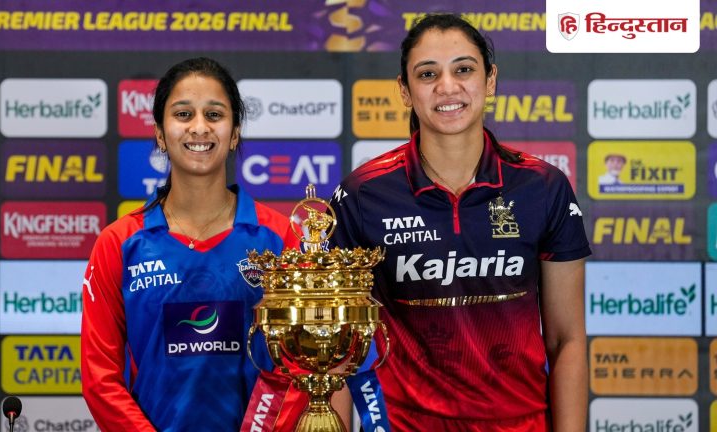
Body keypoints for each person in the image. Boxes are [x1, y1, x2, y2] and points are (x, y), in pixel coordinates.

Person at [328, 14, 590, 432]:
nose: (447, 87)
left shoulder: (543, 186)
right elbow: (335, 349)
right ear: (404, 90)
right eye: (427, 74)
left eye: (464, 69)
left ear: (490, 80)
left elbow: (566, 340)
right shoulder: (362, 195)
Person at [80, 57, 303, 431]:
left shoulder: (280, 239)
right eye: (183, 114)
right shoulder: (119, 243)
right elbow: (100, 377)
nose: (199, 127)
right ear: (160, 133)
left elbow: (299, 363)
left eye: (214, 115)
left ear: (234, 133)